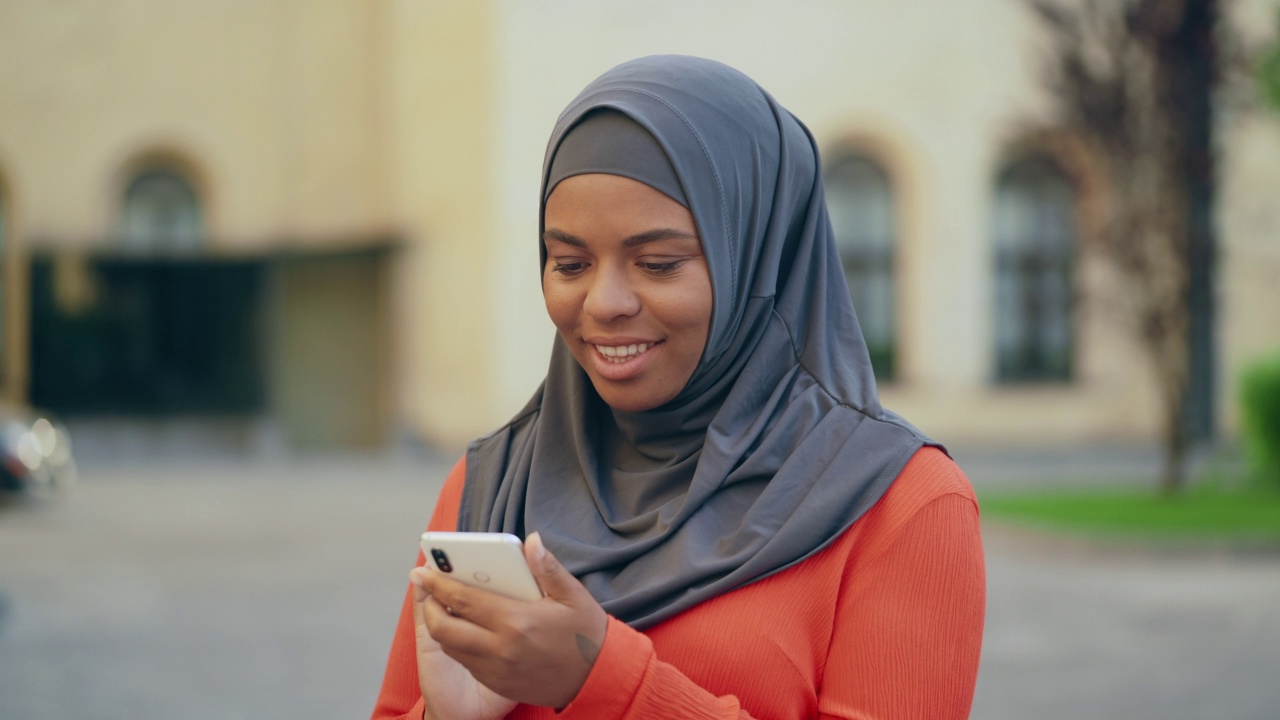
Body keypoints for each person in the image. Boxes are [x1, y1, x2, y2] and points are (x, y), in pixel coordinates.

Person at [371, 55, 985, 720]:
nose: (603, 302)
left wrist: (602, 680)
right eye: (569, 262)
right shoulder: (490, 481)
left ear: (756, 259)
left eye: (659, 264)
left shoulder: (899, 504)